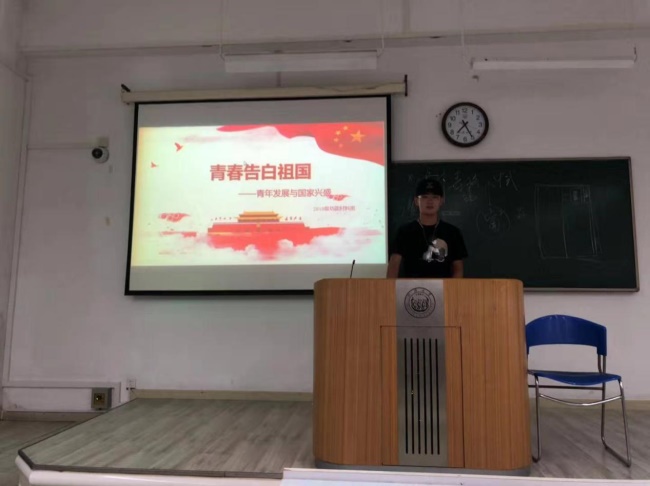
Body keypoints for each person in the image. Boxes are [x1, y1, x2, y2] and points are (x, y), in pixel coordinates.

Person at [387, 178, 467, 278]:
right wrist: (390, 287)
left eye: (435, 197)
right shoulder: (404, 231)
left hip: (443, 287)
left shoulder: (452, 232)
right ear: (416, 201)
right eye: (424, 197)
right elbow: (394, 266)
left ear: (441, 201)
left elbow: (458, 269)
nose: (430, 201)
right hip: (411, 287)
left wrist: (453, 287)